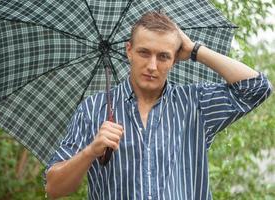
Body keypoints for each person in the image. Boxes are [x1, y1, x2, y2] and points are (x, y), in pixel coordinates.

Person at [45, 12, 272, 199]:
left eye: (163, 56)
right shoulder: (93, 109)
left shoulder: (195, 103)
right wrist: (90, 152)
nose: (152, 66)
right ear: (129, 50)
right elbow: (54, 188)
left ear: (174, 59)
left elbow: (257, 88)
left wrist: (194, 50)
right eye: (144, 52)